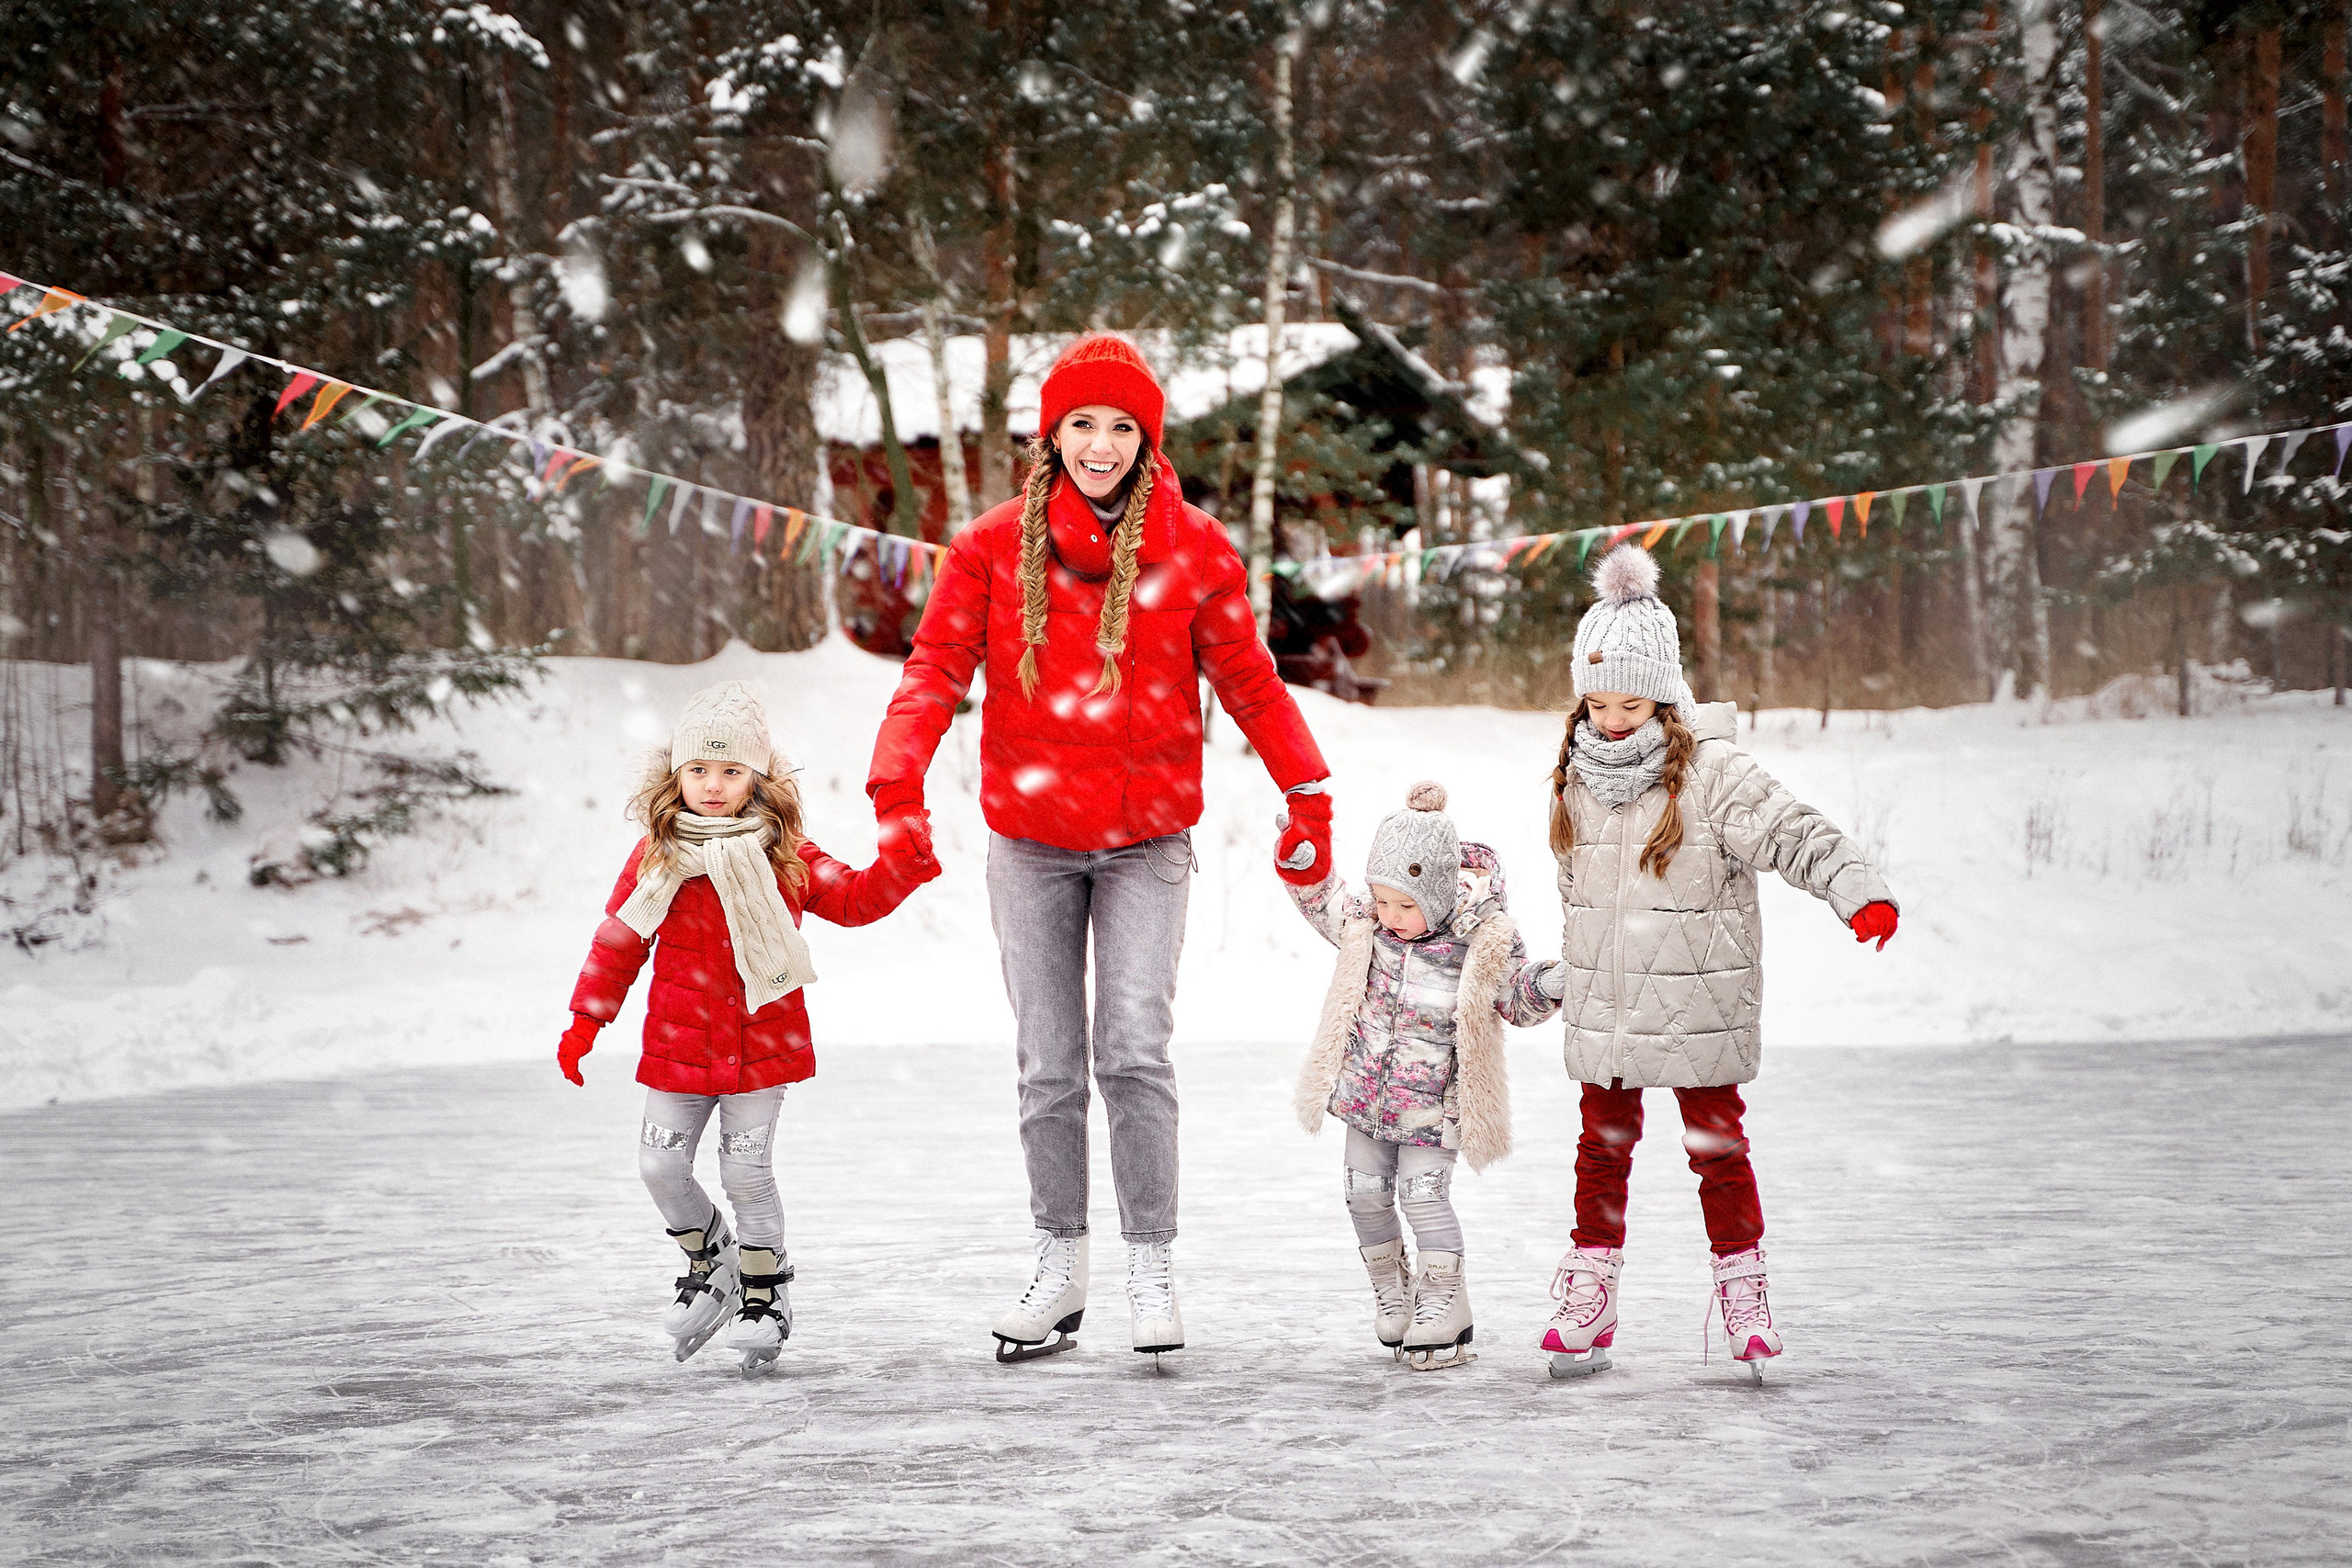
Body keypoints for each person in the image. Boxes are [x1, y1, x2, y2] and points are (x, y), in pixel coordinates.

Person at [866, 333, 1334, 1364]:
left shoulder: (1193, 548)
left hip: (1144, 842)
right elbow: (934, 670)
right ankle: (1060, 1261)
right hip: (1030, 843)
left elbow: (1250, 682)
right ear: (1052, 434)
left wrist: (1308, 791)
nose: (1101, 444)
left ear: (1147, 441)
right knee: (1047, 1066)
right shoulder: (992, 547)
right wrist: (895, 784)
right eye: (1082, 422)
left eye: (1123, 426)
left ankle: (1151, 1261)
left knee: (1131, 1053)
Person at [1530, 545, 1899, 1382]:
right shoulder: (1573, 777)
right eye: (1597, 701)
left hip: (1701, 1003)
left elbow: (1793, 830)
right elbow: (1578, 895)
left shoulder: (1713, 771)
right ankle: (1592, 1291)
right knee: (1601, 1149)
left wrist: (1856, 890)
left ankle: (1744, 1292)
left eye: (1630, 702)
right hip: (1610, 1011)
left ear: (1664, 694)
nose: (1611, 718)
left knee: (1717, 1148)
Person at [556, 680, 939, 1370]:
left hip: (763, 1047)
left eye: (731, 770)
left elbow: (854, 900)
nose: (713, 785)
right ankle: (715, 1262)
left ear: (757, 778)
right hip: (678, 1047)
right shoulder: (657, 857)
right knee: (659, 1165)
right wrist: (586, 1021)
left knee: (746, 1171)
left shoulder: (785, 853)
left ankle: (767, 1289)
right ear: (675, 774)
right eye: (699, 769)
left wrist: (901, 865)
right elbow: (618, 941)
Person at [1284, 781, 1555, 1371]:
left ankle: (1444, 1300)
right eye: (1382, 902)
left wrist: (1549, 983)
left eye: (1405, 906)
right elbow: (1322, 899)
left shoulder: (1480, 939)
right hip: (1365, 1098)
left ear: (1436, 892)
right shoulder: (1370, 925)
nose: (1391, 917)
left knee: (1423, 1197)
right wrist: (1299, 858)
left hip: (1436, 1105)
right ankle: (1393, 1289)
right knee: (1363, 1196)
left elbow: (1514, 998)